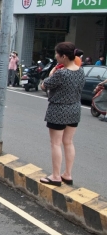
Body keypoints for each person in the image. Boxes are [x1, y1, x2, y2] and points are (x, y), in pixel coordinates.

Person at [39, 42, 85, 186]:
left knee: (55, 143)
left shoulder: (61, 73)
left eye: (56, 54)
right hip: (74, 109)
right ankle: (68, 174)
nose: (55, 56)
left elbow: (44, 85)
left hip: (58, 110)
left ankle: (55, 176)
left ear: (63, 56)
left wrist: (51, 73)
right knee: (68, 142)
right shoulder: (80, 71)